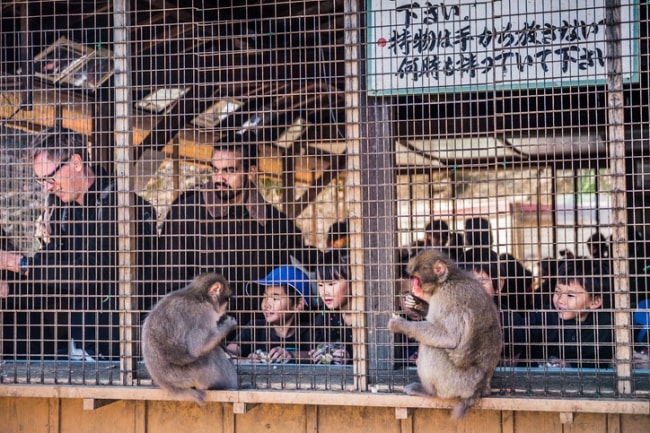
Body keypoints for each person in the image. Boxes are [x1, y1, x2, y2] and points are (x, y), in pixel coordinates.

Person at [0, 126, 157, 359]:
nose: (47, 187)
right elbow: (50, 267)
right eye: (41, 180)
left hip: (129, 351)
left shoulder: (122, 205)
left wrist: (18, 263)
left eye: (50, 177)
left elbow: (90, 273)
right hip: (85, 348)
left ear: (76, 162)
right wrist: (11, 288)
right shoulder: (67, 211)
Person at [158, 132, 320, 327]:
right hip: (200, 335)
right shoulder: (186, 213)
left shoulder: (275, 223)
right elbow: (168, 281)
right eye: (215, 170)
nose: (220, 178)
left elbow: (297, 279)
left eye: (229, 171)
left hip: (254, 341)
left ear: (251, 172)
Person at [527, 259, 613, 369]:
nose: (560, 300)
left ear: (595, 301)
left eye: (570, 295)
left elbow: (605, 363)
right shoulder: (544, 316)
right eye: (557, 291)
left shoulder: (606, 327)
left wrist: (571, 366)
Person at [226, 265, 320, 363]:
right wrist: (245, 361)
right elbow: (225, 354)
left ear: (298, 305)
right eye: (265, 297)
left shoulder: (311, 332)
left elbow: (325, 355)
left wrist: (292, 355)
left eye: (275, 299)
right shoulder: (254, 328)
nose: (266, 305)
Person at [460, 249, 527, 366]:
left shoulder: (511, 320)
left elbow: (518, 360)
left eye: (481, 283)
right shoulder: (454, 317)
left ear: (499, 285)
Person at [309, 254, 353, 365]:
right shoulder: (325, 316)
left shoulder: (370, 315)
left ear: (353, 283)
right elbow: (317, 345)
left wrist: (351, 356)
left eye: (331, 284)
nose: (325, 292)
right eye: (320, 285)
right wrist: (321, 353)